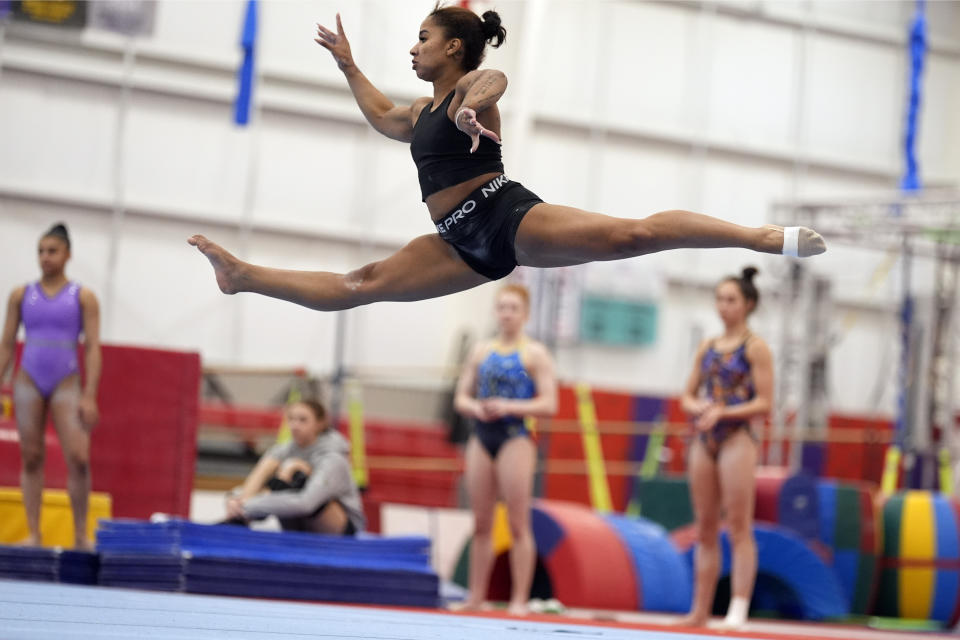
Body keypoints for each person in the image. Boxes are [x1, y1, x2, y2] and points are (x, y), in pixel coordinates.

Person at [187, 4, 825, 312]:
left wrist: (471, 104)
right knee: (363, 286)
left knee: (634, 234)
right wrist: (349, 64)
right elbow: (384, 117)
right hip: (457, 243)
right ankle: (243, 275)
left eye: (423, 38)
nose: (413, 48)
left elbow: (495, 84)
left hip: (505, 217)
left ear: (457, 48)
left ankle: (760, 237)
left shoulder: (475, 86)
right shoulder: (418, 112)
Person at [453, 284, 557, 615]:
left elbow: (549, 403)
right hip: (482, 435)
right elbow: (460, 397)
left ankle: (519, 599)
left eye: (513, 308)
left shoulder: (534, 353)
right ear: (496, 312)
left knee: (517, 522)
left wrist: (509, 406)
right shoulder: (482, 351)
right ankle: (476, 596)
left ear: (524, 314)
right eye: (502, 307)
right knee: (481, 523)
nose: (507, 314)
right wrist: (477, 408)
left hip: (516, 436)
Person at [679, 266, 772, 630]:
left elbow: (765, 402)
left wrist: (724, 412)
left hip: (737, 438)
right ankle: (699, 610)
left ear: (748, 304)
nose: (723, 306)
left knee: (738, 524)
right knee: (704, 526)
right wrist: (698, 407)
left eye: (731, 300)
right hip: (706, 438)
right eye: (719, 299)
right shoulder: (708, 346)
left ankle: (738, 608)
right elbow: (687, 394)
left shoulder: (755, 348)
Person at [0, 223, 102, 550]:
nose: (46, 257)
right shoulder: (20, 294)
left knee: (79, 457)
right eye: (41, 251)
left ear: (67, 254)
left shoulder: (83, 296)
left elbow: (93, 347)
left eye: (52, 251)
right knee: (31, 457)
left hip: (66, 381)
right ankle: (34, 533)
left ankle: (80, 536)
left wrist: (89, 395)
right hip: (28, 378)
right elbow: (6, 344)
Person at [225, 399, 365, 535]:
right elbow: (259, 474)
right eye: (291, 419)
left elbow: (306, 504)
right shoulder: (284, 449)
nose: (295, 425)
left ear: (320, 424)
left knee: (295, 477)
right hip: (301, 522)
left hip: (341, 529)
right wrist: (237, 499)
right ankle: (238, 522)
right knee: (276, 480)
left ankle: (245, 514)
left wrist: (248, 506)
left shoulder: (333, 458)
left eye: (303, 420)